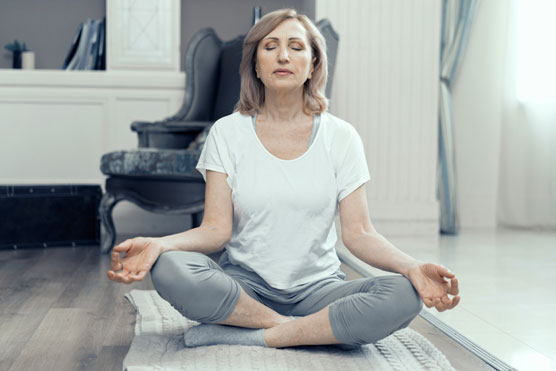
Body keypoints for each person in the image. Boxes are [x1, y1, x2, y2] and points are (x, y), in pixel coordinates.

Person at [107, 8, 460, 350]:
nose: (282, 56)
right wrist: (159, 244)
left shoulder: (342, 137)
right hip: (244, 287)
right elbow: (216, 230)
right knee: (168, 266)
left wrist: (412, 267)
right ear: (256, 66)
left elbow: (360, 234)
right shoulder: (227, 132)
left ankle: (253, 334)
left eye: (295, 46)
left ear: (313, 65)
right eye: (270, 46)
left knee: (403, 294)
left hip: (319, 292)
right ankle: (304, 331)